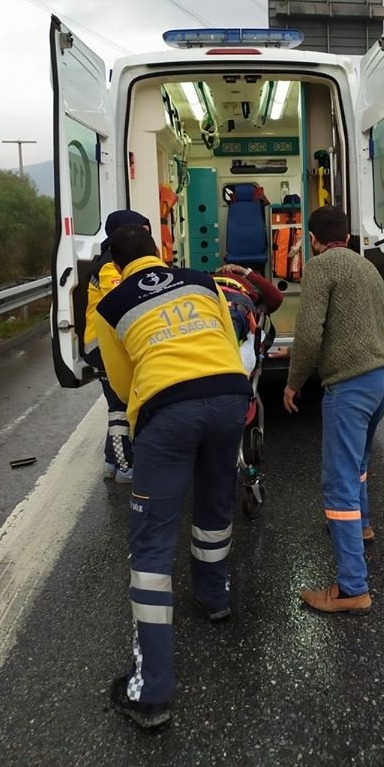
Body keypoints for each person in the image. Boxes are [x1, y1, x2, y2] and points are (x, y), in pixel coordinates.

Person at [95, 225, 252, 728]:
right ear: (160, 253)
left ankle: (151, 692)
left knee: (152, 543)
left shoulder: (112, 305)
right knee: (214, 506)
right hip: (230, 397)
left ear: (117, 266)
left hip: (168, 410)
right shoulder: (201, 281)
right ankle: (214, 596)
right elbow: (228, 341)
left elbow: (122, 383)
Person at [283, 205, 384, 615]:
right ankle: (362, 526)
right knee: (359, 463)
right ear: (347, 237)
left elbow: (309, 335)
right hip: (383, 377)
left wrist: (293, 382)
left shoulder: (320, 268)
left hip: (350, 385)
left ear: (313, 240)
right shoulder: (367, 267)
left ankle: (352, 588)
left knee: (338, 483)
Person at [84, 209, 152, 483]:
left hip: (111, 343)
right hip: (104, 347)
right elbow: (123, 301)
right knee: (120, 408)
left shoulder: (110, 263)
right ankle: (126, 467)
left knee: (119, 405)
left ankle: (112, 463)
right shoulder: (111, 268)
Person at [213, 263, 283, 372]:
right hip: (212, 297)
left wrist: (244, 272)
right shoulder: (207, 277)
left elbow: (276, 298)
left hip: (231, 300)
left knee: (228, 325)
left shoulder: (251, 289)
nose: (228, 270)